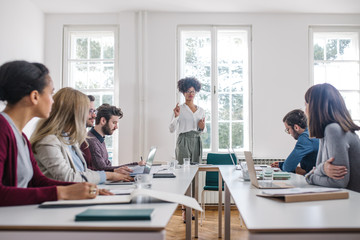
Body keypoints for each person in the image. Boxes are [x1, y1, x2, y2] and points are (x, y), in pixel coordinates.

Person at [0, 60, 106, 206]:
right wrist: (62, 193)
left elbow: (38, 181)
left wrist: (85, 188)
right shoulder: (2, 130)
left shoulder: (20, 136)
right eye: (51, 94)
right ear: (35, 96)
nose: (52, 102)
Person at [30, 87, 133, 184]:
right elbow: (68, 178)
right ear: (73, 113)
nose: (93, 115)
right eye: (89, 111)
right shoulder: (48, 141)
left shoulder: (70, 140)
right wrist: (108, 175)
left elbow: (83, 171)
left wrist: (112, 175)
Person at [304, 83, 360, 192]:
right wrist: (322, 169)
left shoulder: (334, 129)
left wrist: (311, 177)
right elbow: (318, 168)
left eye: (306, 103)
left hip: (353, 204)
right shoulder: (326, 132)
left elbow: (339, 182)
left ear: (314, 106)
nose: (305, 109)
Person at [169, 77, 205, 223]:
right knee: (184, 177)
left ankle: (192, 207)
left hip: (196, 140)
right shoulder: (179, 109)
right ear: (183, 92)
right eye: (188, 91)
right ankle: (185, 210)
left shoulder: (201, 110)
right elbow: (171, 129)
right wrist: (176, 116)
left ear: (195, 92)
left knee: (195, 176)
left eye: (193, 91)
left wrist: (202, 127)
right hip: (183, 141)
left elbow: (202, 129)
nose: (191, 94)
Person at [83, 103, 145, 172]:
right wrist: (136, 165)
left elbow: (108, 167)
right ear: (103, 121)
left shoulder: (99, 139)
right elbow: (102, 169)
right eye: (114, 123)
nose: (116, 127)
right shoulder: (92, 141)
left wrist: (136, 165)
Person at [271, 109, 319, 175]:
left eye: (288, 129)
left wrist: (283, 165)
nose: (289, 133)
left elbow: (288, 167)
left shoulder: (305, 138)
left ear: (296, 127)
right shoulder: (313, 132)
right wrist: (281, 164)